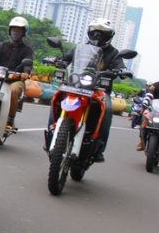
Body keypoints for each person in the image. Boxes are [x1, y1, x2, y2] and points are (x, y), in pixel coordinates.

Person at [48, 18, 127, 162]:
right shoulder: (81, 48)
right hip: (75, 85)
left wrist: (121, 70)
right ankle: (50, 133)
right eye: (95, 32)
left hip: (99, 90)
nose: (98, 36)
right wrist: (58, 60)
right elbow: (66, 58)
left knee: (107, 109)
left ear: (109, 36)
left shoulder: (114, 53)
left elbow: (120, 66)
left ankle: (100, 148)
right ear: (89, 32)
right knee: (57, 98)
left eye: (102, 33)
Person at [0, 16, 33, 130]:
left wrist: (26, 72)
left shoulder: (27, 50)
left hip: (16, 79)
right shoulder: (2, 45)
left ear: (24, 32)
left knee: (13, 91)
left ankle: (10, 118)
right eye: (13, 29)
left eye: (18, 30)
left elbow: (28, 64)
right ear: (10, 31)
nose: (15, 32)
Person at [136, 64, 159, 151]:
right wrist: (142, 107)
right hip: (155, 112)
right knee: (144, 121)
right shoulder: (154, 86)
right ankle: (142, 141)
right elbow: (148, 96)